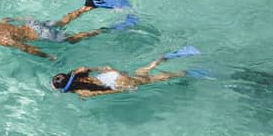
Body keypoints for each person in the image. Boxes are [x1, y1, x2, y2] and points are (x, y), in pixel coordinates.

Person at [0, 0, 133, 59]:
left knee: (72, 39)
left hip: (41, 34)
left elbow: (27, 48)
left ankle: (103, 30)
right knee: (62, 22)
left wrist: (47, 55)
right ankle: (86, 7)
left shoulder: (2, 40)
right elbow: (13, 19)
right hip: (32, 24)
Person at [50, 47, 205, 98]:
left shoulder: (82, 92)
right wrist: (109, 70)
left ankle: (188, 73)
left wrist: (122, 88)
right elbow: (87, 68)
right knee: (142, 71)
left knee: (155, 79)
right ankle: (164, 58)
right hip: (108, 75)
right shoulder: (76, 73)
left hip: (116, 83)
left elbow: (104, 93)